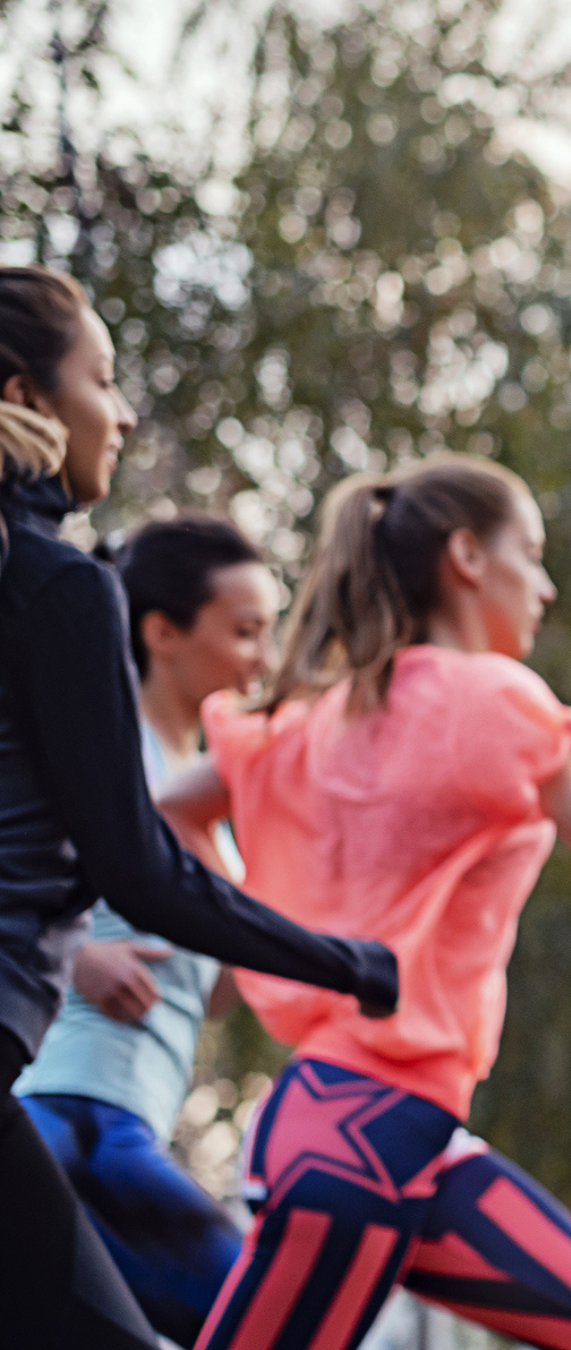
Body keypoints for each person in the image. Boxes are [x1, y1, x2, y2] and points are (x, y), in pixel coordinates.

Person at [162, 454, 571, 1350]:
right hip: (356, 1137)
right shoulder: (497, 700)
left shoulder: (308, 718)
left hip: (389, 1138)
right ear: (466, 555)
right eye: (530, 555)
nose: (545, 586)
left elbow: (165, 812)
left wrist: (238, 928)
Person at [0, 263, 399, 1350]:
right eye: (103, 379)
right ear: (25, 396)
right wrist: (347, 961)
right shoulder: (57, 585)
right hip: (69, 1104)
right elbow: (137, 869)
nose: (121, 412)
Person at [14, 515, 280, 1346]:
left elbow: (222, 998)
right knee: (275, 1321)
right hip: (69, 1120)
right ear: (162, 632)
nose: (263, 662)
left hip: (127, 1128)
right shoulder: (102, 751)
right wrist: (77, 954)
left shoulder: (207, 808)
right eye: (244, 633)